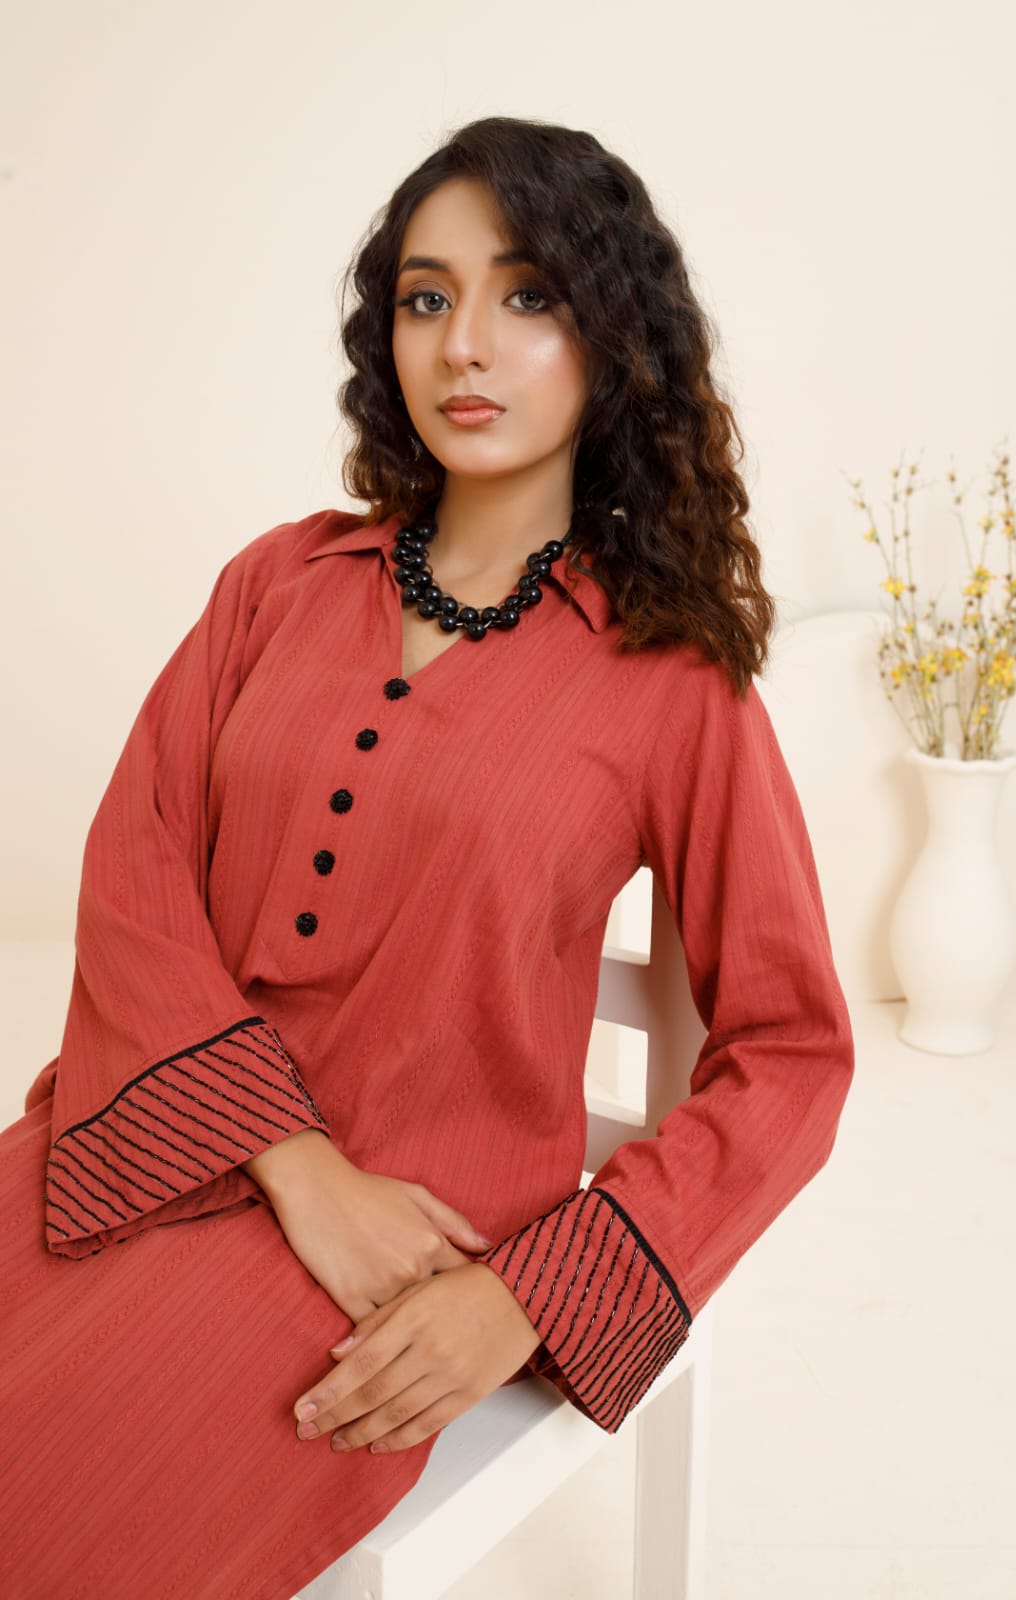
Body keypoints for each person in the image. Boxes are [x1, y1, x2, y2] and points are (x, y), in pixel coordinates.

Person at [0, 115, 855, 1598]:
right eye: (425, 297)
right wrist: (296, 1164)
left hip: (399, 1269)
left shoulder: (673, 684)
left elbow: (790, 1054)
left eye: (526, 296)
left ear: (612, 338)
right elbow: (137, 867)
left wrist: (527, 1299)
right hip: (129, 1155)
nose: (464, 344)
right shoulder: (277, 582)